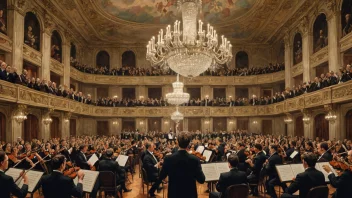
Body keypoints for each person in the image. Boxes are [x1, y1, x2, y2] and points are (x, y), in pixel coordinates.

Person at [157, 131, 205, 198]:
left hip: (174, 194)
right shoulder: (195, 160)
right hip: (190, 194)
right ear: (189, 143)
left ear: (177, 142)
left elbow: (161, 176)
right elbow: (202, 180)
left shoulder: (168, 158)